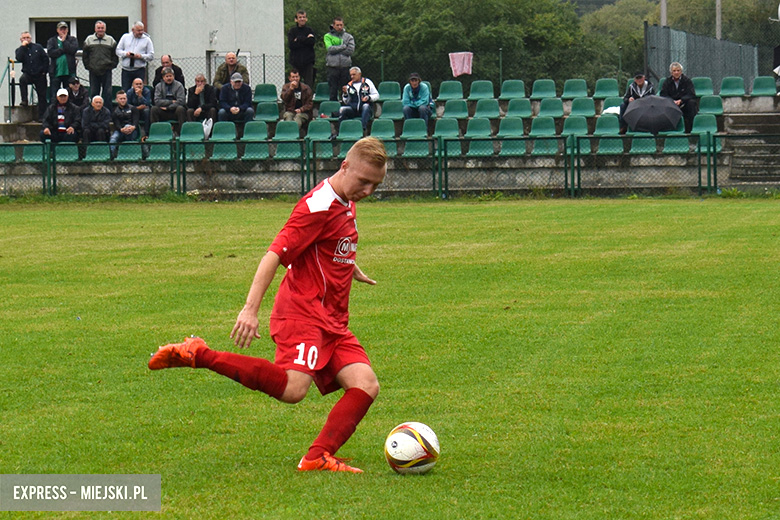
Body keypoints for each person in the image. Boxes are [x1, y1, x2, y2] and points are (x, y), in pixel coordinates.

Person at [149, 136, 389, 474]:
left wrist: (350, 266)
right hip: (302, 312)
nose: (367, 190)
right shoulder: (316, 206)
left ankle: (316, 457)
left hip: (332, 317)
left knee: (365, 384)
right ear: (344, 166)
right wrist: (250, 309)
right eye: (363, 181)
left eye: (375, 185)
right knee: (293, 389)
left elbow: (332, 242)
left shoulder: (347, 199)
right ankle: (197, 353)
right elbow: (274, 255)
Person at [15, 31, 49, 120]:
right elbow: (19, 57)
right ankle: (24, 100)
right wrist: (23, 46)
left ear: (31, 38)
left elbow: (45, 59)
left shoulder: (38, 47)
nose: (26, 39)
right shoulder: (19, 50)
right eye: (24, 38)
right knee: (22, 80)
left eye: (28, 38)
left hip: (39, 74)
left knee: (42, 96)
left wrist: (44, 71)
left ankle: (42, 117)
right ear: (21, 40)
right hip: (28, 74)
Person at [82, 20, 118, 101]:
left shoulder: (111, 40)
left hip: (107, 71)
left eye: (102, 28)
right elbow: (85, 55)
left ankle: (108, 112)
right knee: (94, 92)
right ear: (95, 29)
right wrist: (88, 66)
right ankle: (94, 111)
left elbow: (115, 55)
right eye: (98, 28)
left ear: (105, 29)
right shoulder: (89, 39)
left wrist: (112, 66)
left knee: (108, 93)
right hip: (93, 71)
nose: (100, 30)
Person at [338, 67, 378, 134]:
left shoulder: (367, 82)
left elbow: (376, 95)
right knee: (342, 109)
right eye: (351, 75)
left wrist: (368, 97)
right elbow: (346, 101)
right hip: (353, 109)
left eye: (354, 74)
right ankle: (341, 131)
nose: (352, 76)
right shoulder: (349, 85)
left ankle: (362, 129)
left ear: (359, 74)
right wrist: (345, 94)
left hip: (365, 108)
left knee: (366, 106)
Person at [660, 62, 697, 133]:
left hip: (684, 104)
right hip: (671, 104)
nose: (676, 72)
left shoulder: (687, 81)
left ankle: (691, 129)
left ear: (681, 71)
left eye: (678, 70)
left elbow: (691, 94)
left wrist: (681, 100)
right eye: (674, 71)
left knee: (691, 103)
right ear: (671, 72)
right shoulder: (667, 82)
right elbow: (663, 94)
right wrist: (672, 101)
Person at [116, 21, 155, 91]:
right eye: (138, 30)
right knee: (125, 90)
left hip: (139, 70)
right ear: (133, 30)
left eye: (142, 30)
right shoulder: (125, 37)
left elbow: (151, 56)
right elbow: (118, 51)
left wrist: (141, 56)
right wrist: (126, 54)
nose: (141, 32)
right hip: (126, 70)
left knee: (139, 90)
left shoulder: (147, 40)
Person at [47, 22, 78, 102]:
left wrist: (64, 42)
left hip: (69, 72)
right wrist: (63, 50)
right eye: (61, 29)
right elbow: (51, 53)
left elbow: (73, 50)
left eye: (65, 29)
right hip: (55, 72)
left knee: (69, 95)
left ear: (67, 30)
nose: (63, 31)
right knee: (54, 95)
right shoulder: (52, 40)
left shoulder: (72, 39)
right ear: (57, 30)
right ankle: (54, 112)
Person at [324, 17, 354, 101]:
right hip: (332, 67)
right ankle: (333, 108)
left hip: (345, 67)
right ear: (333, 25)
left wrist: (337, 49)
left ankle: (345, 107)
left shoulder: (348, 37)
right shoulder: (328, 36)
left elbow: (350, 51)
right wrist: (343, 47)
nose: (339, 27)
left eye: (341, 25)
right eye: (337, 25)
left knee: (345, 89)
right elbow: (330, 49)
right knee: (333, 89)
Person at [287, 10, 316, 87]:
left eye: (304, 17)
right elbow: (291, 45)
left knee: (308, 85)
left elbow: (312, 42)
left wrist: (299, 39)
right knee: (295, 84)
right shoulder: (292, 31)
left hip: (308, 62)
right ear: (296, 19)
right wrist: (306, 39)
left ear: (306, 19)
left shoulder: (310, 30)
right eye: (300, 17)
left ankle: (307, 99)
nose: (302, 19)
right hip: (296, 62)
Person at [110, 90, 140, 157]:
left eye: (124, 98)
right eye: (121, 99)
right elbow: (116, 123)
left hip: (132, 130)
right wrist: (121, 129)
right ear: (117, 100)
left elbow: (136, 120)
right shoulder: (114, 111)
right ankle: (111, 156)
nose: (123, 100)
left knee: (128, 126)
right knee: (113, 138)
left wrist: (133, 127)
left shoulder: (133, 108)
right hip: (120, 130)